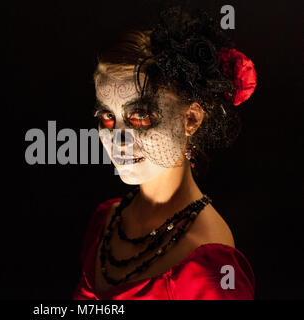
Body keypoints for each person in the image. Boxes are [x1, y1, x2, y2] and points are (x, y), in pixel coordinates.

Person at [73, 6, 257, 300]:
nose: (117, 138)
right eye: (107, 118)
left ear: (191, 120)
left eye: (141, 117)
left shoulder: (209, 269)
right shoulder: (104, 222)